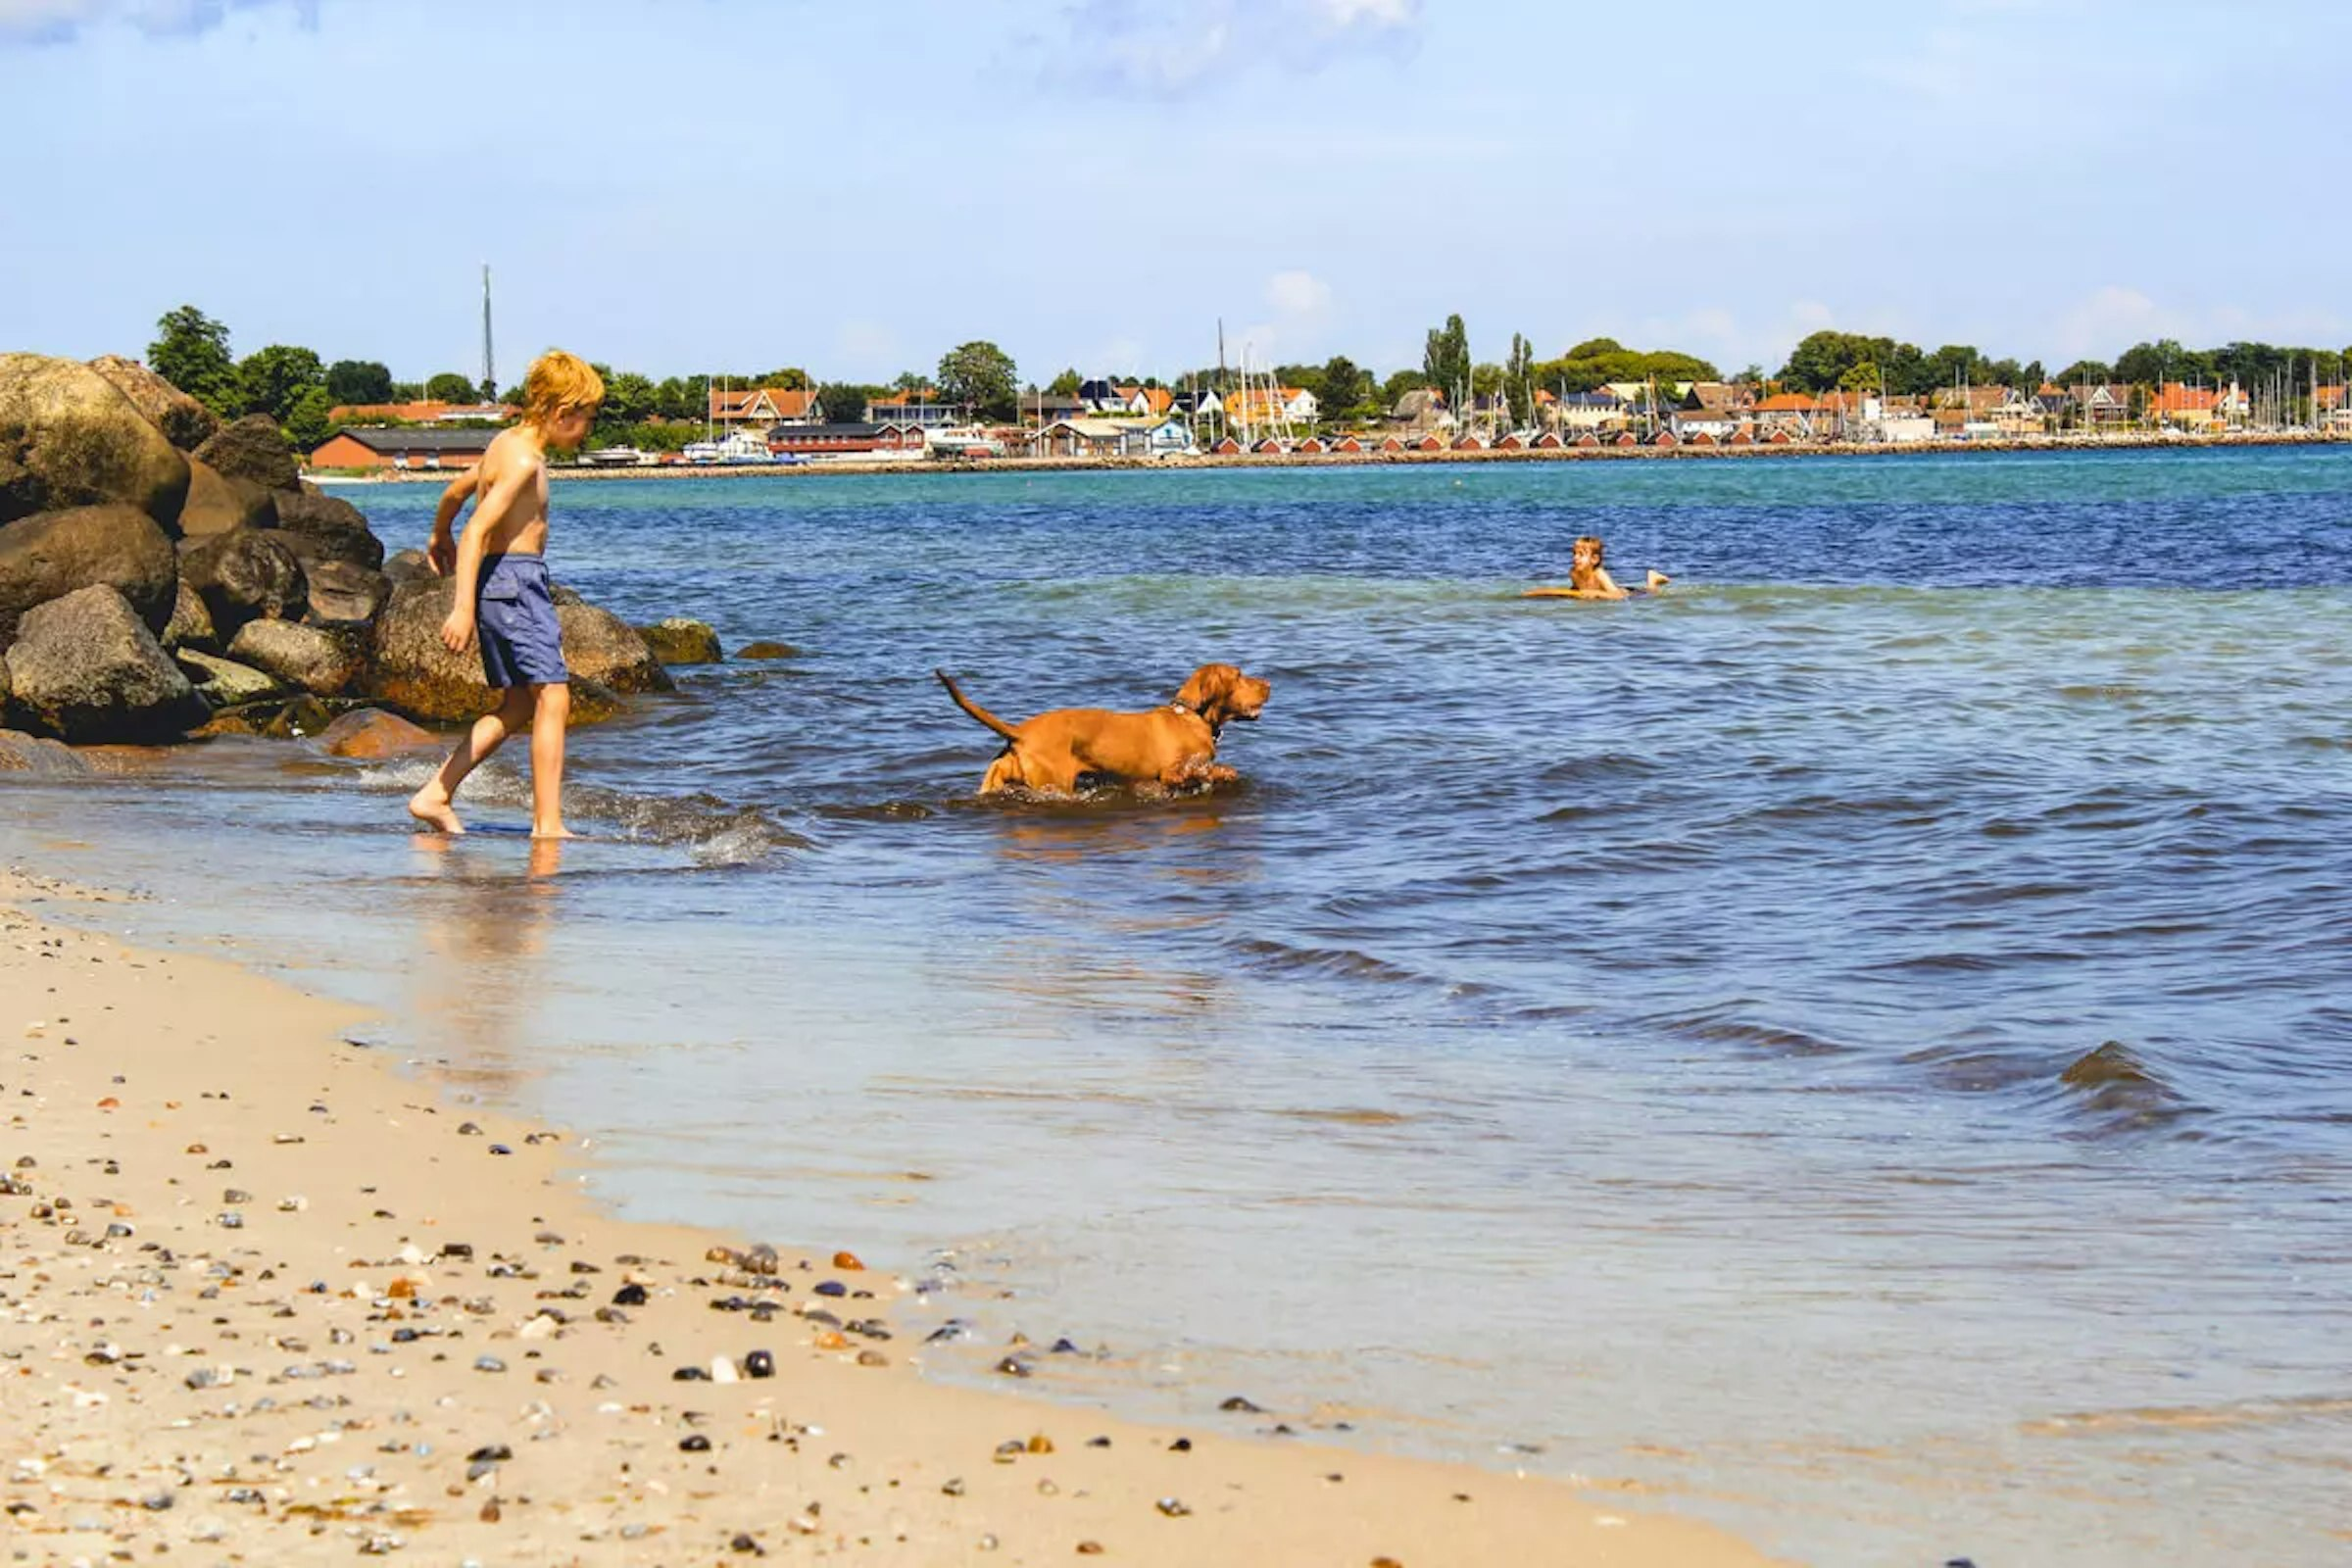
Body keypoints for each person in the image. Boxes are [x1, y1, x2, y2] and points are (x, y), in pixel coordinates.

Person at [406, 350, 605, 838]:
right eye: (586, 420)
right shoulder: (523, 461)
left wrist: (438, 536)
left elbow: (454, 494)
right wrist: (461, 609)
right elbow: (476, 531)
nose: (587, 431)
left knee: (519, 705)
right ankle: (548, 824)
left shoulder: (503, 443)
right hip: (515, 584)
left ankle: (436, 793)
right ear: (562, 412)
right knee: (554, 697)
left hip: (507, 580)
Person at [1522, 535, 1670, 601]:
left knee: (1651, 594)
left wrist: (1594, 593)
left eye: (1581, 554)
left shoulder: (1599, 573)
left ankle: (1652, 579)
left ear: (1594, 559)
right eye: (1574, 554)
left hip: (1629, 593)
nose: (1575, 558)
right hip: (1602, 593)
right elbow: (1575, 589)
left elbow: (1617, 596)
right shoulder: (1573, 572)